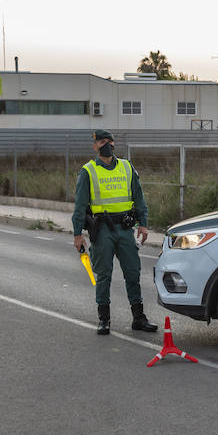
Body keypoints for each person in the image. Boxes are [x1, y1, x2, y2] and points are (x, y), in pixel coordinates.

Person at [71, 129, 157, 336]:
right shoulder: (88, 171)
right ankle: (104, 319)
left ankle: (138, 318)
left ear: (114, 143)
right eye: (101, 142)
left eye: (109, 141)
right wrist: (77, 234)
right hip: (102, 231)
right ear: (95, 146)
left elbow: (139, 197)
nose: (106, 144)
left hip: (125, 229)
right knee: (104, 276)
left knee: (133, 273)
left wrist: (143, 224)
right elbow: (80, 205)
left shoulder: (127, 167)